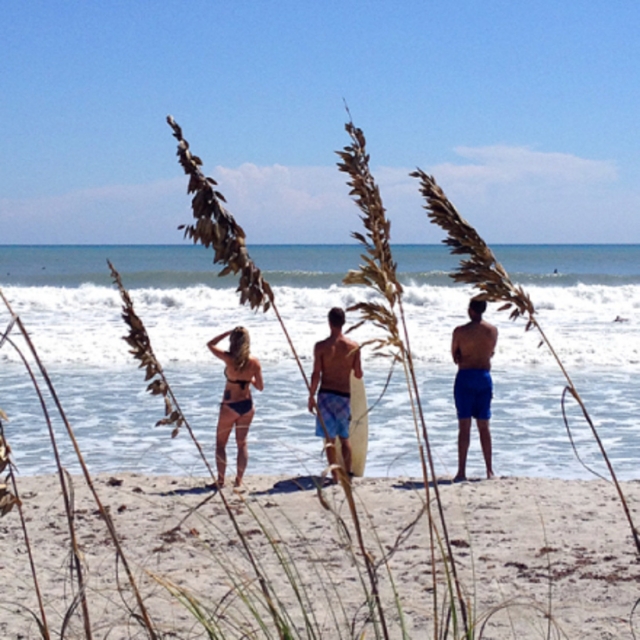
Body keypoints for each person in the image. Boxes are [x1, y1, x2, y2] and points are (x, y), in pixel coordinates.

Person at [308, 307, 363, 482]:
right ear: (344, 322)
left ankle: (334, 476)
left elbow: (316, 374)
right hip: (344, 396)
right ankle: (348, 472)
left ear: (329, 322)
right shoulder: (354, 347)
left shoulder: (321, 347)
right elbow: (359, 373)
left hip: (325, 395)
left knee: (330, 439)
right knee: (344, 436)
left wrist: (311, 396)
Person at [207, 327, 263, 488]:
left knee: (220, 444)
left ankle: (221, 480)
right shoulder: (254, 362)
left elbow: (210, 344)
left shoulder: (229, 359)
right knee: (242, 443)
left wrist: (226, 333)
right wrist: (248, 380)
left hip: (230, 405)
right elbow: (260, 386)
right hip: (247, 405)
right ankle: (239, 480)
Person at [451, 298, 498, 481]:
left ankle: (461, 472)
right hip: (484, 378)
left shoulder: (460, 331)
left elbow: (455, 355)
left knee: (464, 426)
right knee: (484, 426)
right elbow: (491, 352)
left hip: (465, 377)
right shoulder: (492, 331)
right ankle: (489, 471)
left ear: (470, 310)